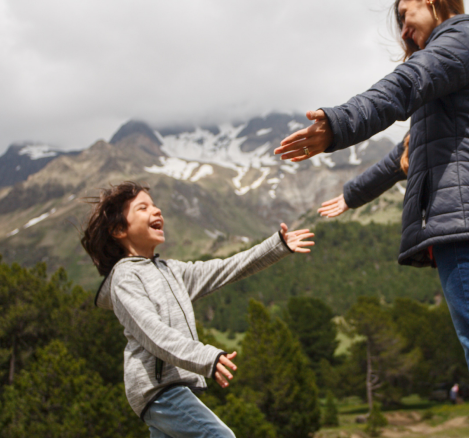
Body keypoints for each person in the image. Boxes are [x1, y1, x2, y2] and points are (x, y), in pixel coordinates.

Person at [275, 0, 469, 438]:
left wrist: (339, 123)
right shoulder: (454, 69)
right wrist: (351, 194)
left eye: (405, 15)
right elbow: (403, 156)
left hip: (461, 219)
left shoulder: (460, 41)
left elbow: (404, 83)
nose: (403, 30)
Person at [81, 181, 314, 438]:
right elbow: (153, 334)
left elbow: (225, 268)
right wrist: (206, 358)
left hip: (170, 388)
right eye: (143, 208)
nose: (156, 211)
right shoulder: (125, 278)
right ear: (118, 229)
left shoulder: (171, 271)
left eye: (155, 205)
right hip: (158, 390)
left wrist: (276, 246)